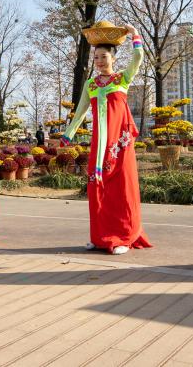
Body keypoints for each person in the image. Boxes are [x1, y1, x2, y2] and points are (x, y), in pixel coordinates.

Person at [62, 21, 152, 255]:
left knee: (121, 188)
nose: (100, 61)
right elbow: (81, 111)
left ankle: (123, 236)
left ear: (113, 58)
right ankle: (100, 236)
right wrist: (69, 134)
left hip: (120, 143)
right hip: (99, 143)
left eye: (104, 56)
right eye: (96, 57)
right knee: (97, 186)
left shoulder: (122, 79)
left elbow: (138, 59)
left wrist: (135, 35)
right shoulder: (91, 84)